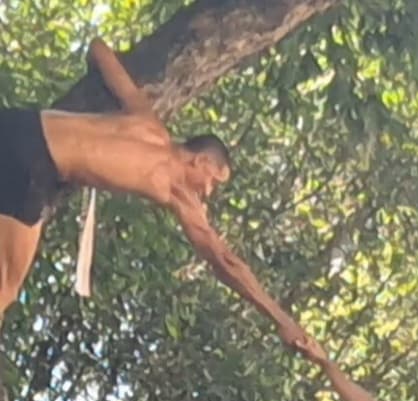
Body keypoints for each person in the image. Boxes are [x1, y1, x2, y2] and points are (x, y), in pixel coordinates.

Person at [0, 37, 306, 349]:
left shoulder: (145, 121)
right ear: (200, 160)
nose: (209, 192)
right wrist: (281, 319)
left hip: (17, 124)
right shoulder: (177, 191)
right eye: (213, 181)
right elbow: (224, 261)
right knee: (6, 288)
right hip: (34, 169)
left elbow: (97, 48)